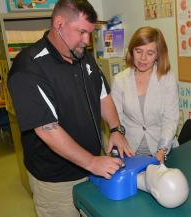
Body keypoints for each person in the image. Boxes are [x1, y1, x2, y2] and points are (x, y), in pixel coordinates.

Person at [7, 0, 134, 216]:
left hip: (94, 168)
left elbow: (103, 96)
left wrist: (115, 129)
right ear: (59, 24)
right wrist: (92, 162)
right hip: (58, 181)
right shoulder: (27, 68)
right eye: (81, 32)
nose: (87, 41)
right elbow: (47, 129)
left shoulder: (83, 55)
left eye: (89, 34)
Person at [111, 26, 179, 163]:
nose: (143, 58)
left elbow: (170, 119)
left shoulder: (167, 79)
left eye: (150, 53)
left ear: (158, 55)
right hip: (130, 153)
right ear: (132, 51)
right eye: (138, 51)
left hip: (163, 150)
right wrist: (121, 141)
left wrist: (162, 149)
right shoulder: (119, 81)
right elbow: (116, 120)